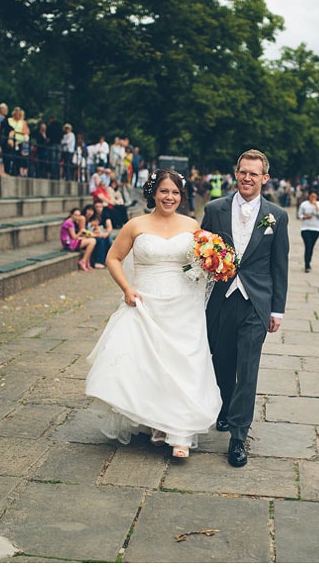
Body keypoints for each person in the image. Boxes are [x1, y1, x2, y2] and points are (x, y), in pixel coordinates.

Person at [85, 169, 222, 459]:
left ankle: (180, 433)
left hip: (184, 305)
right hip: (145, 301)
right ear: (153, 193)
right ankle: (157, 425)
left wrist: (214, 263)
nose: (169, 197)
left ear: (181, 196)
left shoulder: (191, 225)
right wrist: (126, 289)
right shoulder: (136, 224)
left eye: (174, 192)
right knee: (151, 364)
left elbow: (202, 262)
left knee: (182, 365)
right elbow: (112, 258)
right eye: (163, 191)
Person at [201, 149, 289, 467]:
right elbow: (203, 252)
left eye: (254, 173)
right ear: (235, 173)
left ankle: (239, 437)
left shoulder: (276, 216)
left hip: (256, 302)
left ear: (265, 178)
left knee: (247, 370)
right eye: (243, 172)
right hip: (221, 299)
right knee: (222, 361)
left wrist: (276, 309)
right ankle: (224, 408)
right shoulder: (214, 209)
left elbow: (280, 265)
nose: (247, 178)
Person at [297, 190, 319, 272]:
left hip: (316, 229)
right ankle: (307, 265)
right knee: (308, 246)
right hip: (306, 228)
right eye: (312, 196)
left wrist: (316, 206)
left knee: (311, 247)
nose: (313, 198)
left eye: (315, 197)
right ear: (309, 196)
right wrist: (306, 216)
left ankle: (308, 262)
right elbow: (299, 215)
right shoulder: (304, 204)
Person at [89, 198, 113, 268]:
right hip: (92, 233)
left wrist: (106, 233)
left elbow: (109, 227)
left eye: (100, 207)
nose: (99, 209)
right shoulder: (92, 215)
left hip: (101, 233)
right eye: (97, 207)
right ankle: (99, 261)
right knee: (101, 240)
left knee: (108, 237)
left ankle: (107, 259)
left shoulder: (105, 214)